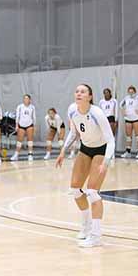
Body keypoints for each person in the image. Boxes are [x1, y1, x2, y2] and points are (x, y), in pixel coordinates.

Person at [56, 84, 115, 248]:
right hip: (85, 148)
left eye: (83, 92)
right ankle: (86, 226)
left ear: (90, 96)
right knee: (75, 189)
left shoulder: (97, 113)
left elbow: (111, 140)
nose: (78, 94)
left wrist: (106, 161)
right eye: (76, 91)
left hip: (101, 150)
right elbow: (74, 132)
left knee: (93, 192)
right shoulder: (72, 110)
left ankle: (96, 236)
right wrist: (63, 151)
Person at [120, 86, 138, 159]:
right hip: (128, 119)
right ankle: (128, 152)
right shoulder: (126, 98)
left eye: (132, 92)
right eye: (129, 92)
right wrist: (123, 111)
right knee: (128, 137)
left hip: (136, 119)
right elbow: (120, 105)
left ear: (135, 92)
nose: (131, 93)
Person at [11, 94, 36, 161]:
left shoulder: (32, 107)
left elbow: (34, 117)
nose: (26, 100)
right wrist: (16, 125)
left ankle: (30, 154)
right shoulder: (20, 107)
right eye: (24, 98)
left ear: (30, 100)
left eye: (27, 98)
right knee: (19, 140)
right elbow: (17, 116)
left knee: (30, 140)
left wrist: (34, 126)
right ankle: (16, 154)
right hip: (21, 125)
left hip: (29, 125)